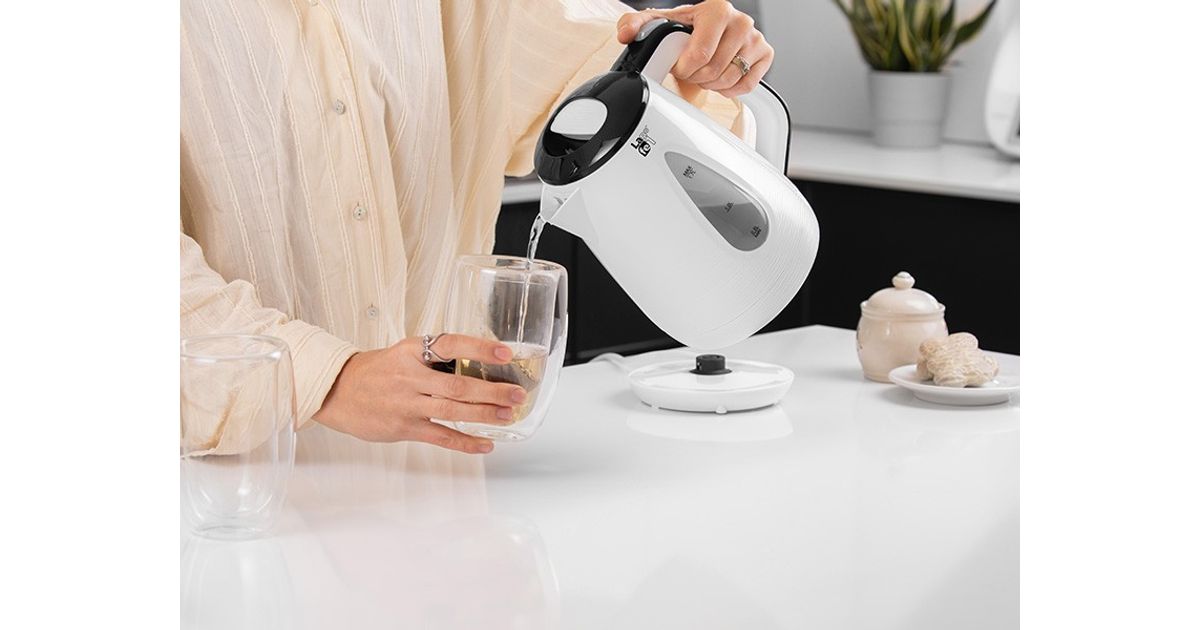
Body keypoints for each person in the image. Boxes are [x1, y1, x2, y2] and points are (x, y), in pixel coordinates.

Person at [180, 0, 776, 456]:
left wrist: (698, 59)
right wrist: (328, 379)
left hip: (445, 481)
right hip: (228, 500)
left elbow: (607, 82)